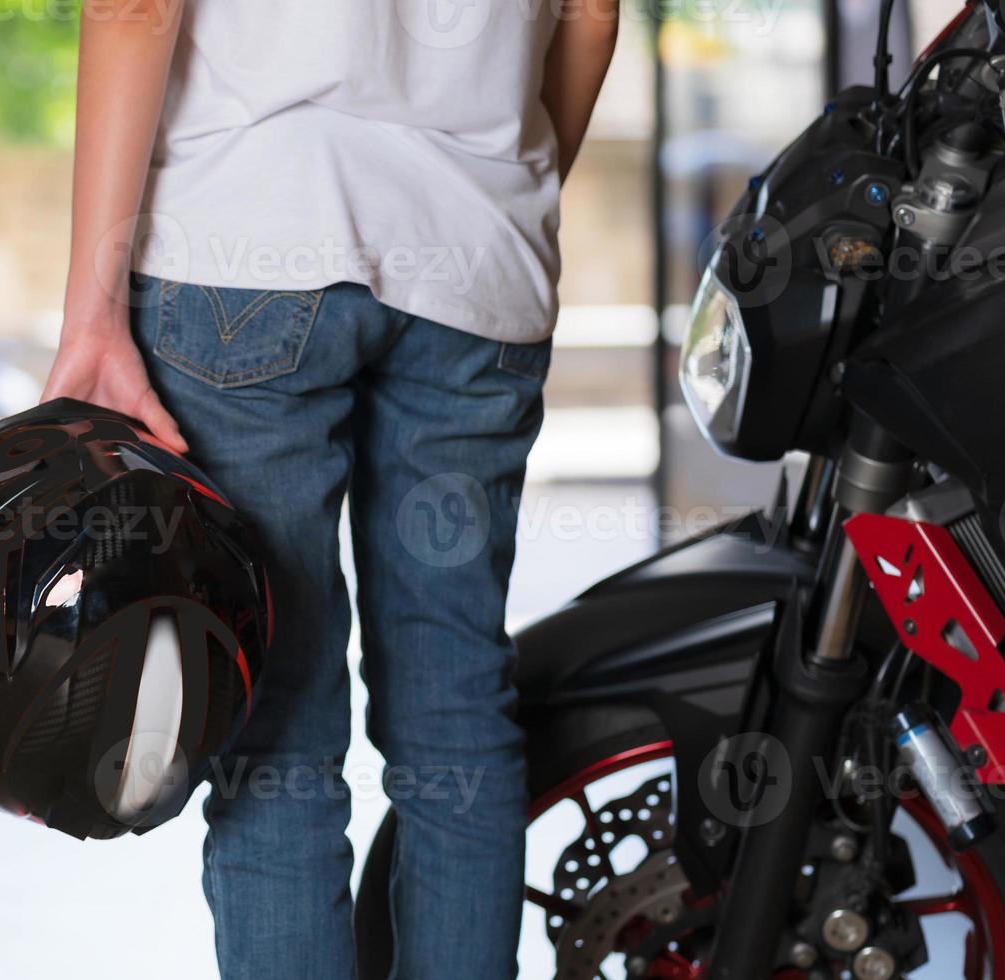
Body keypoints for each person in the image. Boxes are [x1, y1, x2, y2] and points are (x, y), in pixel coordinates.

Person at [43, 0, 617, 976]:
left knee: (275, 722)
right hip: (475, 271)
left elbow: (131, 7)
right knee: (456, 713)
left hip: (244, 246)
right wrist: (491, 207)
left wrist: (89, 311)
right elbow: (593, 18)